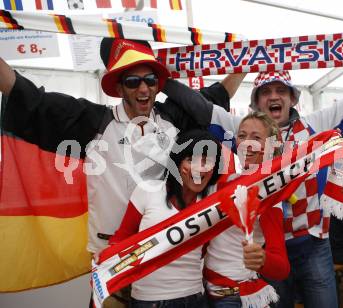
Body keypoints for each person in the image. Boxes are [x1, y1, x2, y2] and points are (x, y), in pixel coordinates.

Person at [149, 31, 343, 308]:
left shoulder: (315, 126)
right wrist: (155, 74)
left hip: (313, 245)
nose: (274, 97)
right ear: (256, 102)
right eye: (267, 92)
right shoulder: (243, 128)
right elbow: (198, 106)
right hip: (267, 250)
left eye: (281, 91)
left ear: (293, 99)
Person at [0, 38, 232, 307]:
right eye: (133, 81)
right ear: (120, 87)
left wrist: (249, 60)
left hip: (166, 261)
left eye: (150, 80)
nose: (143, 88)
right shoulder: (94, 122)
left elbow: (214, 101)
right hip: (115, 261)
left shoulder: (174, 118)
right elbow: (31, 99)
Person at [108, 130, 223, 307]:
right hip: (148, 300)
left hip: (194, 298)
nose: (200, 169)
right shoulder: (148, 190)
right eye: (191, 159)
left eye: (207, 161)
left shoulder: (211, 205)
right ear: (177, 163)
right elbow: (122, 238)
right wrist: (105, 263)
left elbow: (205, 251)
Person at [204, 112, 290, 308]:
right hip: (204, 292)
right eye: (242, 136)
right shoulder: (224, 180)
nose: (246, 143)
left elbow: (282, 268)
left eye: (256, 138)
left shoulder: (269, 194)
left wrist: (262, 259)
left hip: (234, 298)